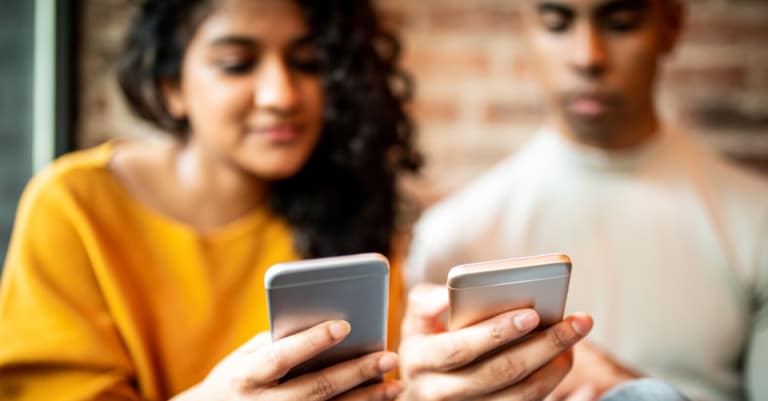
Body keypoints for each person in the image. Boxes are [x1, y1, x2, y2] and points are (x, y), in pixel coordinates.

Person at [0, 1, 595, 400]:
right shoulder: (75, 205)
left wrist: (421, 385)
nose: (283, 94)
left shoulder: (352, 212)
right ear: (170, 87)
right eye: (237, 64)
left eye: (309, 64)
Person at [405, 1, 768, 401]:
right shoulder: (453, 235)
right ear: (527, 29)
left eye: (621, 23)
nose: (587, 57)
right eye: (557, 24)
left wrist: (632, 393)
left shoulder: (756, 220)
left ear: (670, 27)